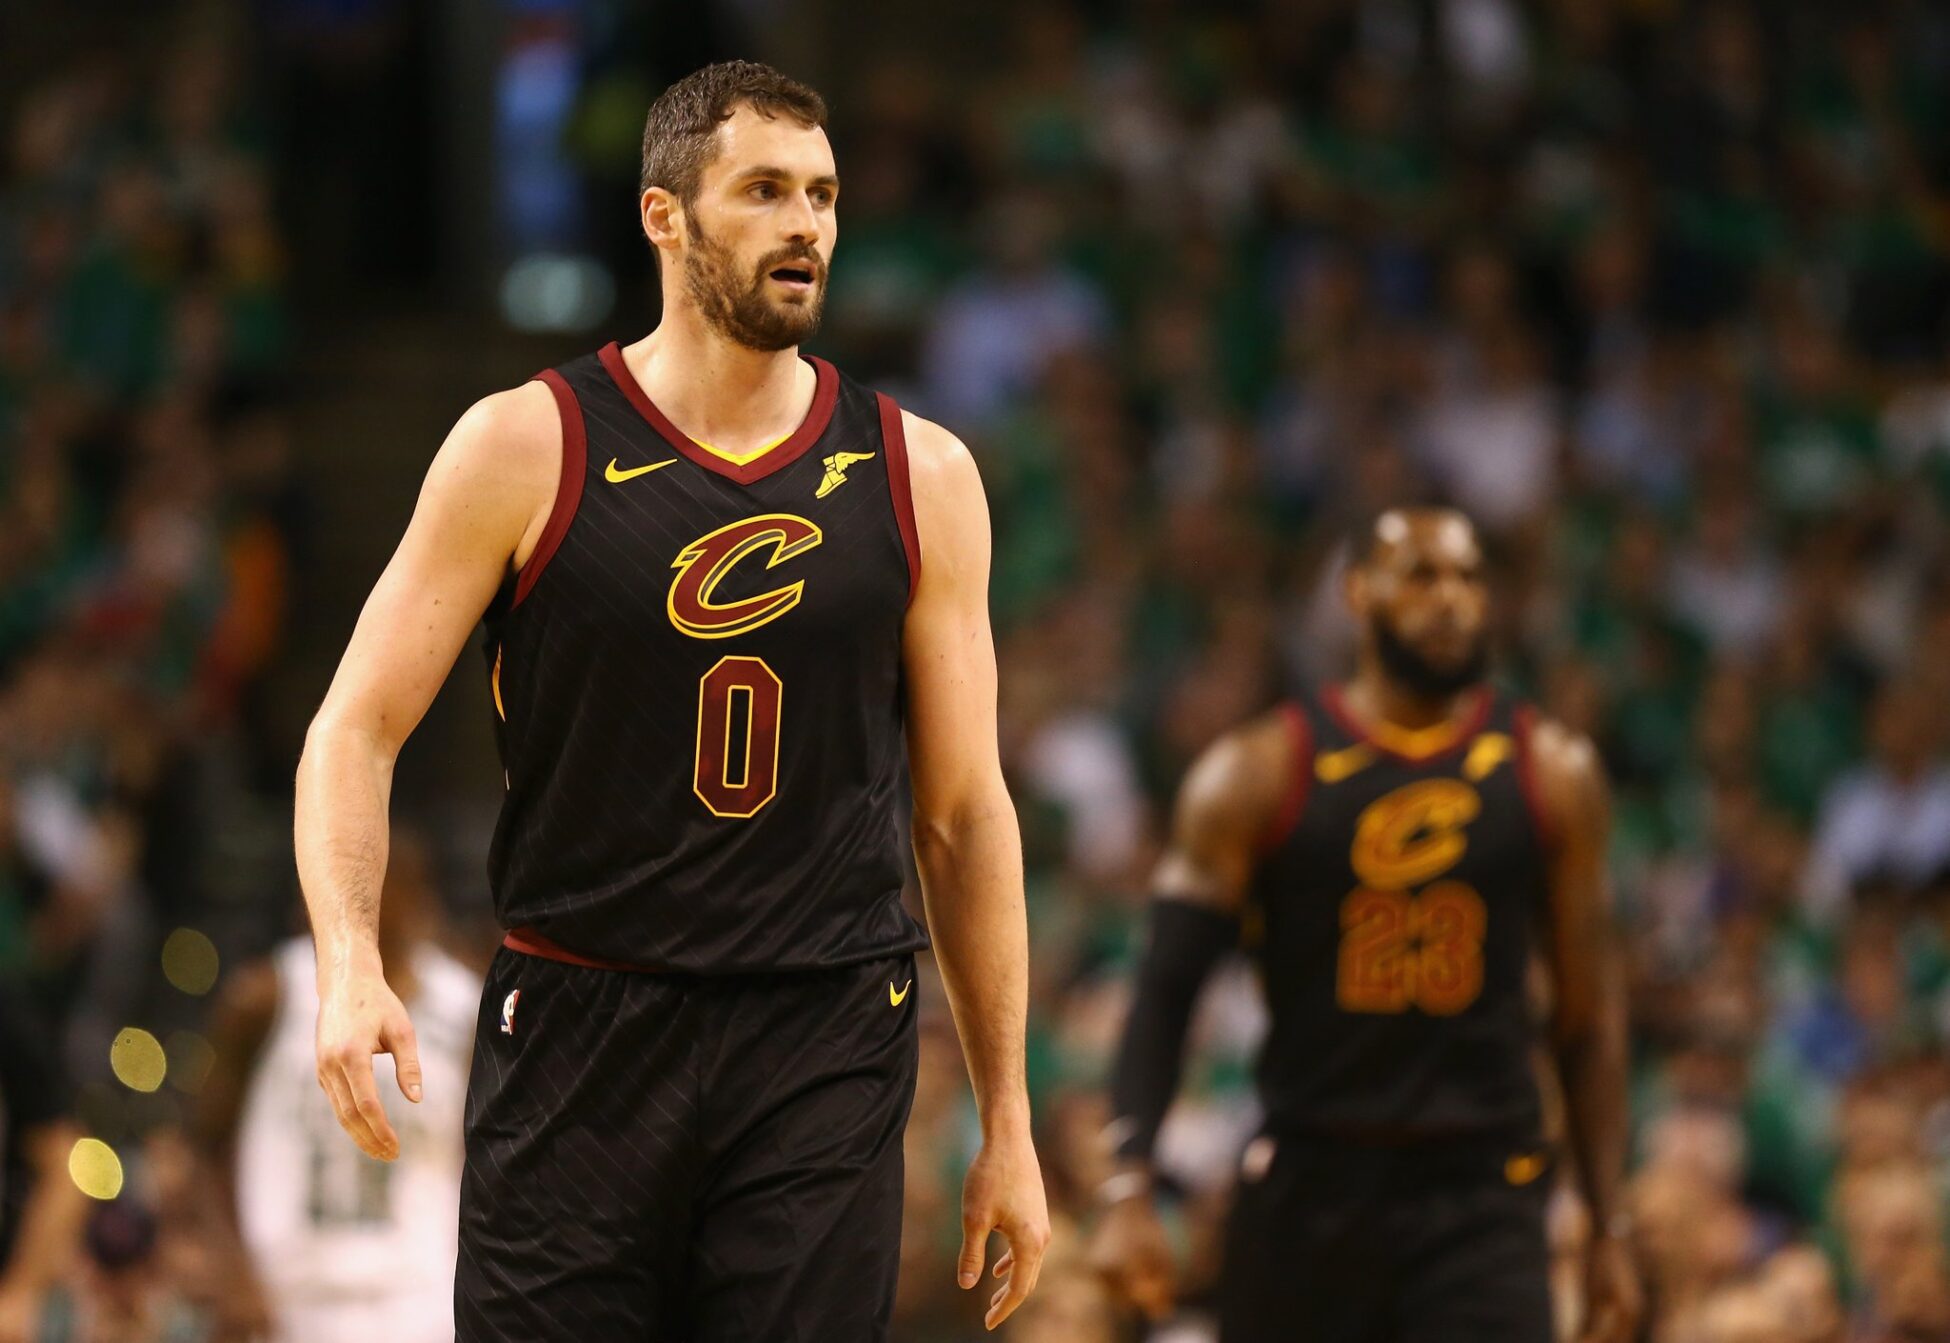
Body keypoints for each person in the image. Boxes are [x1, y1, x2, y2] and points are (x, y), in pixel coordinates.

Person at [292, 60, 1047, 1342]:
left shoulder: (923, 473)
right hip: (581, 1023)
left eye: (822, 195)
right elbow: (351, 728)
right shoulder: (524, 444)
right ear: (664, 215)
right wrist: (350, 960)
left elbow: (965, 815)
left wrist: (1008, 1119)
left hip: (822, 1031)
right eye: (764, 191)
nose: (806, 225)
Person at [1090, 507, 1642, 1343]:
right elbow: (1165, 991)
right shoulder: (1258, 772)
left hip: (1480, 1190)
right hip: (1312, 1177)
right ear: (1357, 592)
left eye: (1468, 577)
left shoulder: (1552, 773)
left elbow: (1589, 1017)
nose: (1449, 599)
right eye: (1420, 575)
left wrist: (1608, 1223)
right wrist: (1128, 1187)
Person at [197, 834, 477, 1343]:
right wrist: (232, 1269)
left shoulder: (465, 1010)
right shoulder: (267, 997)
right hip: (285, 1295)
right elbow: (201, 1146)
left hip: (422, 1298)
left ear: (419, 894)